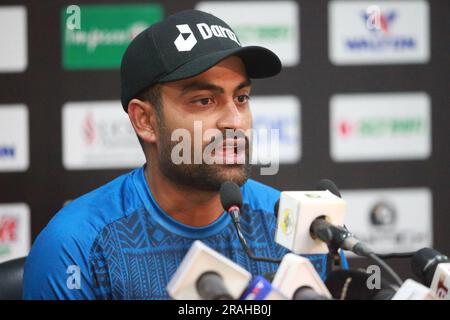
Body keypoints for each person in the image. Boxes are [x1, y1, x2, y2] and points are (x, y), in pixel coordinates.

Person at [23, 9, 343, 300]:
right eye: (204, 101)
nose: (234, 121)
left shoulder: (300, 231)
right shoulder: (76, 245)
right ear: (145, 120)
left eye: (242, 97)